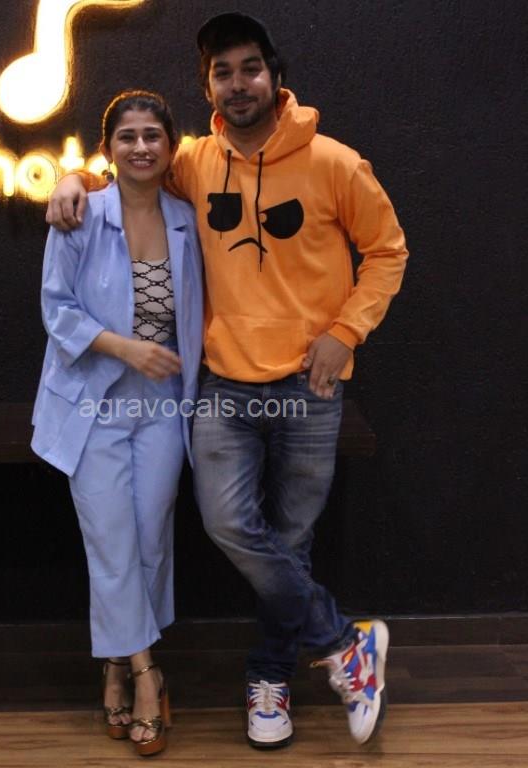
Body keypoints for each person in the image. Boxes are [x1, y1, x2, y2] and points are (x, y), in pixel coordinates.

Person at [46, 13, 408, 749]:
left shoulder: (336, 162)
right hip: (223, 386)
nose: (237, 83)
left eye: (249, 68)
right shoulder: (194, 161)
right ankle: (345, 643)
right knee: (229, 526)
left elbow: (387, 251)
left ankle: (270, 679)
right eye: (222, 72)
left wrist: (345, 332)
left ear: (274, 75)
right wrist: (71, 176)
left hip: (309, 388)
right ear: (207, 85)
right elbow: (127, 172)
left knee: (291, 542)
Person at [32, 89, 203, 757]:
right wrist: (126, 348)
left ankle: (112, 663)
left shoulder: (187, 219)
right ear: (107, 149)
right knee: (110, 542)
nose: (140, 147)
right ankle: (145, 674)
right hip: (92, 402)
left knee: (149, 537)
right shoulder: (79, 215)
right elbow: (57, 310)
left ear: (171, 147)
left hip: (162, 405)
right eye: (127, 136)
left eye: (152, 135)